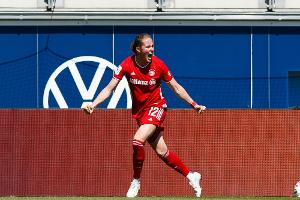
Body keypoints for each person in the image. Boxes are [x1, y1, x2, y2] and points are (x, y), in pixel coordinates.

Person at [83, 33, 206, 198]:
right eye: (148, 47)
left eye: (152, 46)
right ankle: (191, 176)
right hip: (140, 113)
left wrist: (194, 104)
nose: (152, 50)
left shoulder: (159, 65)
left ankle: (136, 181)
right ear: (138, 49)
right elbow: (108, 88)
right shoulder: (126, 65)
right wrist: (93, 104)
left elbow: (176, 87)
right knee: (163, 152)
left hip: (157, 107)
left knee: (137, 140)